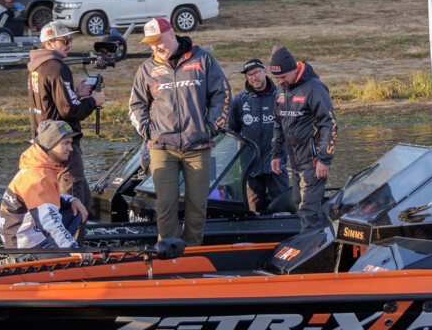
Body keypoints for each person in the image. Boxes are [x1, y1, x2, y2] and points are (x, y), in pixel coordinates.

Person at [128, 17, 230, 246]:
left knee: (197, 205)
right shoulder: (147, 68)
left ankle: (192, 252)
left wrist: (212, 126)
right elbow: (136, 105)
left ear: (172, 34)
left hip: (198, 146)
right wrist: (148, 131)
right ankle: (169, 251)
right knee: (165, 204)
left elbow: (222, 94)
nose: (156, 47)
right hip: (162, 148)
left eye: (159, 41)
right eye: (151, 44)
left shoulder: (202, 59)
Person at [27, 21, 106, 213]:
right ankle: (71, 233)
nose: (69, 44)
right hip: (63, 144)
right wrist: (93, 101)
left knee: (77, 197)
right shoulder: (56, 68)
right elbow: (70, 111)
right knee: (74, 203)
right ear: (49, 43)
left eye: (70, 40)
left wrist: (76, 94)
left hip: (44, 142)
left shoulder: (37, 67)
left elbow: (50, 103)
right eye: (64, 41)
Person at [0, 120, 90, 261]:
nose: (71, 148)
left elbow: (47, 199)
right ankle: (30, 259)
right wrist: (72, 249)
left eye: (70, 143)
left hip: (28, 234)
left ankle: (62, 246)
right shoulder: (37, 176)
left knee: (74, 210)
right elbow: (48, 221)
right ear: (50, 144)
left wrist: (72, 200)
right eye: (66, 143)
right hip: (25, 246)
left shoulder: (41, 167)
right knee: (79, 262)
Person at [270, 46, 337, 231]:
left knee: (308, 210)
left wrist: (324, 160)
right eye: (276, 78)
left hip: (314, 161)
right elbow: (278, 122)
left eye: (283, 77)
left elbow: (330, 124)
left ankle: (312, 245)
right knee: (299, 205)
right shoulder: (282, 89)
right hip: (295, 161)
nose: (280, 82)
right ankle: (318, 239)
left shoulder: (315, 87)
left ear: (294, 69)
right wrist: (276, 153)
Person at [229, 58, 290, 214]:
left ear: (265, 71)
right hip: (251, 167)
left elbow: (291, 127)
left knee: (283, 210)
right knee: (254, 212)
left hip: (277, 164)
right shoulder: (238, 101)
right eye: (249, 75)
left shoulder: (281, 96)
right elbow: (231, 132)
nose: (254, 78)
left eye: (256, 73)